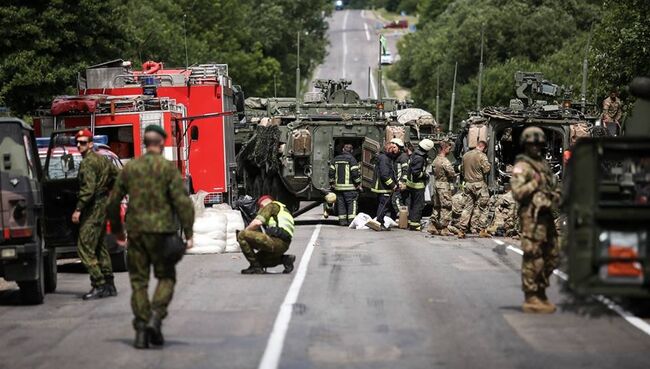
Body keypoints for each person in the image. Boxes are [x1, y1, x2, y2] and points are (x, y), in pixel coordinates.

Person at [107, 125, 195, 349]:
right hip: (163, 234)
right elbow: (183, 203)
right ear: (162, 143)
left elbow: (113, 201)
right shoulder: (167, 169)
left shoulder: (131, 168)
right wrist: (189, 233)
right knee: (166, 277)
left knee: (139, 283)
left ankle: (141, 330)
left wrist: (118, 231)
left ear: (145, 143)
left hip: (136, 234)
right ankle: (156, 316)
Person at [510, 126, 560, 314]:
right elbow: (517, 193)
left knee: (553, 255)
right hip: (531, 216)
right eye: (532, 144)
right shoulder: (522, 166)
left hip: (547, 215)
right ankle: (532, 295)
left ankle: (541, 290)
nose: (536, 148)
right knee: (533, 255)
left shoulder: (543, 165)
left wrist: (556, 195)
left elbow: (553, 186)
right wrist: (534, 183)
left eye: (539, 144)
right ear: (525, 145)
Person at [71, 129, 118, 300]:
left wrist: (78, 209)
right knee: (100, 247)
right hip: (103, 206)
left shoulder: (88, 163)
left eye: (83, 142)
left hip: (92, 208)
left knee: (84, 248)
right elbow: (117, 175)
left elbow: (88, 189)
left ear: (90, 144)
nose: (79, 145)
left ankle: (98, 284)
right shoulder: (102, 160)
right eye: (77, 142)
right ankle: (109, 284)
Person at [237, 195, 296, 275]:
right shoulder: (283, 210)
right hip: (284, 244)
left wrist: (245, 232)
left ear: (262, 204)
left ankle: (256, 267)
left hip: (275, 241)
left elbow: (257, 223)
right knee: (258, 260)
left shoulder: (270, 206)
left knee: (242, 235)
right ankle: (285, 259)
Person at [453, 140, 490, 238]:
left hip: (468, 184)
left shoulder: (465, 155)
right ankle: (481, 230)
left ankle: (461, 230)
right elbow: (486, 170)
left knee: (467, 207)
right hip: (479, 185)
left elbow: (461, 170)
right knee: (484, 206)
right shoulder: (482, 156)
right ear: (483, 147)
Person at [328, 144, 361, 226]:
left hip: (338, 188)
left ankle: (342, 221)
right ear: (352, 151)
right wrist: (358, 183)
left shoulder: (335, 159)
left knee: (341, 205)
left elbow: (331, 172)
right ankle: (351, 221)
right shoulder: (352, 159)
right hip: (350, 188)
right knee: (351, 204)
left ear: (343, 149)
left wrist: (332, 183)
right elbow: (354, 174)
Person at [405, 139, 434, 231]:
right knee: (418, 205)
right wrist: (425, 175)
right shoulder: (420, 158)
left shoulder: (415, 154)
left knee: (412, 204)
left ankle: (411, 221)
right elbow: (416, 173)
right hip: (417, 185)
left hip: (411, 184)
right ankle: (415, 224)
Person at [429, 141, 456, 235]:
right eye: (448, 148)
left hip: (436, 184)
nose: (449, 150)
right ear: (444, 148)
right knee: (446, 206)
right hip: (444, 185)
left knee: (436, 206)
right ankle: (444, 228)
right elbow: (452, 173)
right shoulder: (445, 161)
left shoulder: (435, 160)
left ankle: (433, 225)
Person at [371, 142, 399, 229]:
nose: (394, 150)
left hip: (382, 187)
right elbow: (384, 175)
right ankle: (379, 223)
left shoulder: (384, 157)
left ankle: (380, 222)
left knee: (383, 205)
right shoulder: (384, 159)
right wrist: (392, 185)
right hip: (383, 188)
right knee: (384, 205)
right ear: (388, 149)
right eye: (392, 148)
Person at [391, 138, 409, 215]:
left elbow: (406, 171)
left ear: (399, 147)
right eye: (392, 147)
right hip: (397, 183)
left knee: (396, 200)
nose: (392, 149)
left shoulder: (403, 157)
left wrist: (402, 182)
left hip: (401, 184)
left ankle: (402, 217)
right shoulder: (396, 157)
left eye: (394, 147)